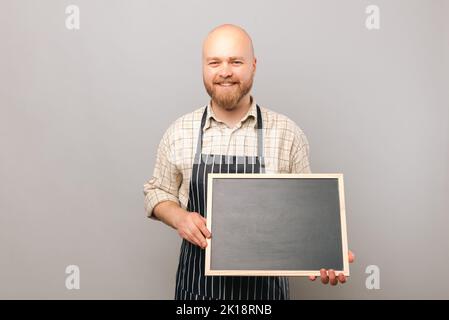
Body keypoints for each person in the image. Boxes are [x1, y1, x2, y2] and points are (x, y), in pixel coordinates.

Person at [143, 24, 354, 300]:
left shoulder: (287, 133)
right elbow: (157, 191)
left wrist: (329, 253)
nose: (225, 71)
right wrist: (180, 217)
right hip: (196, 295)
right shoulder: (178, 132)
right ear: (203, 67)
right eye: (214, 62)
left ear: (253, 65)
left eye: (236, 61)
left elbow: (308, 214)